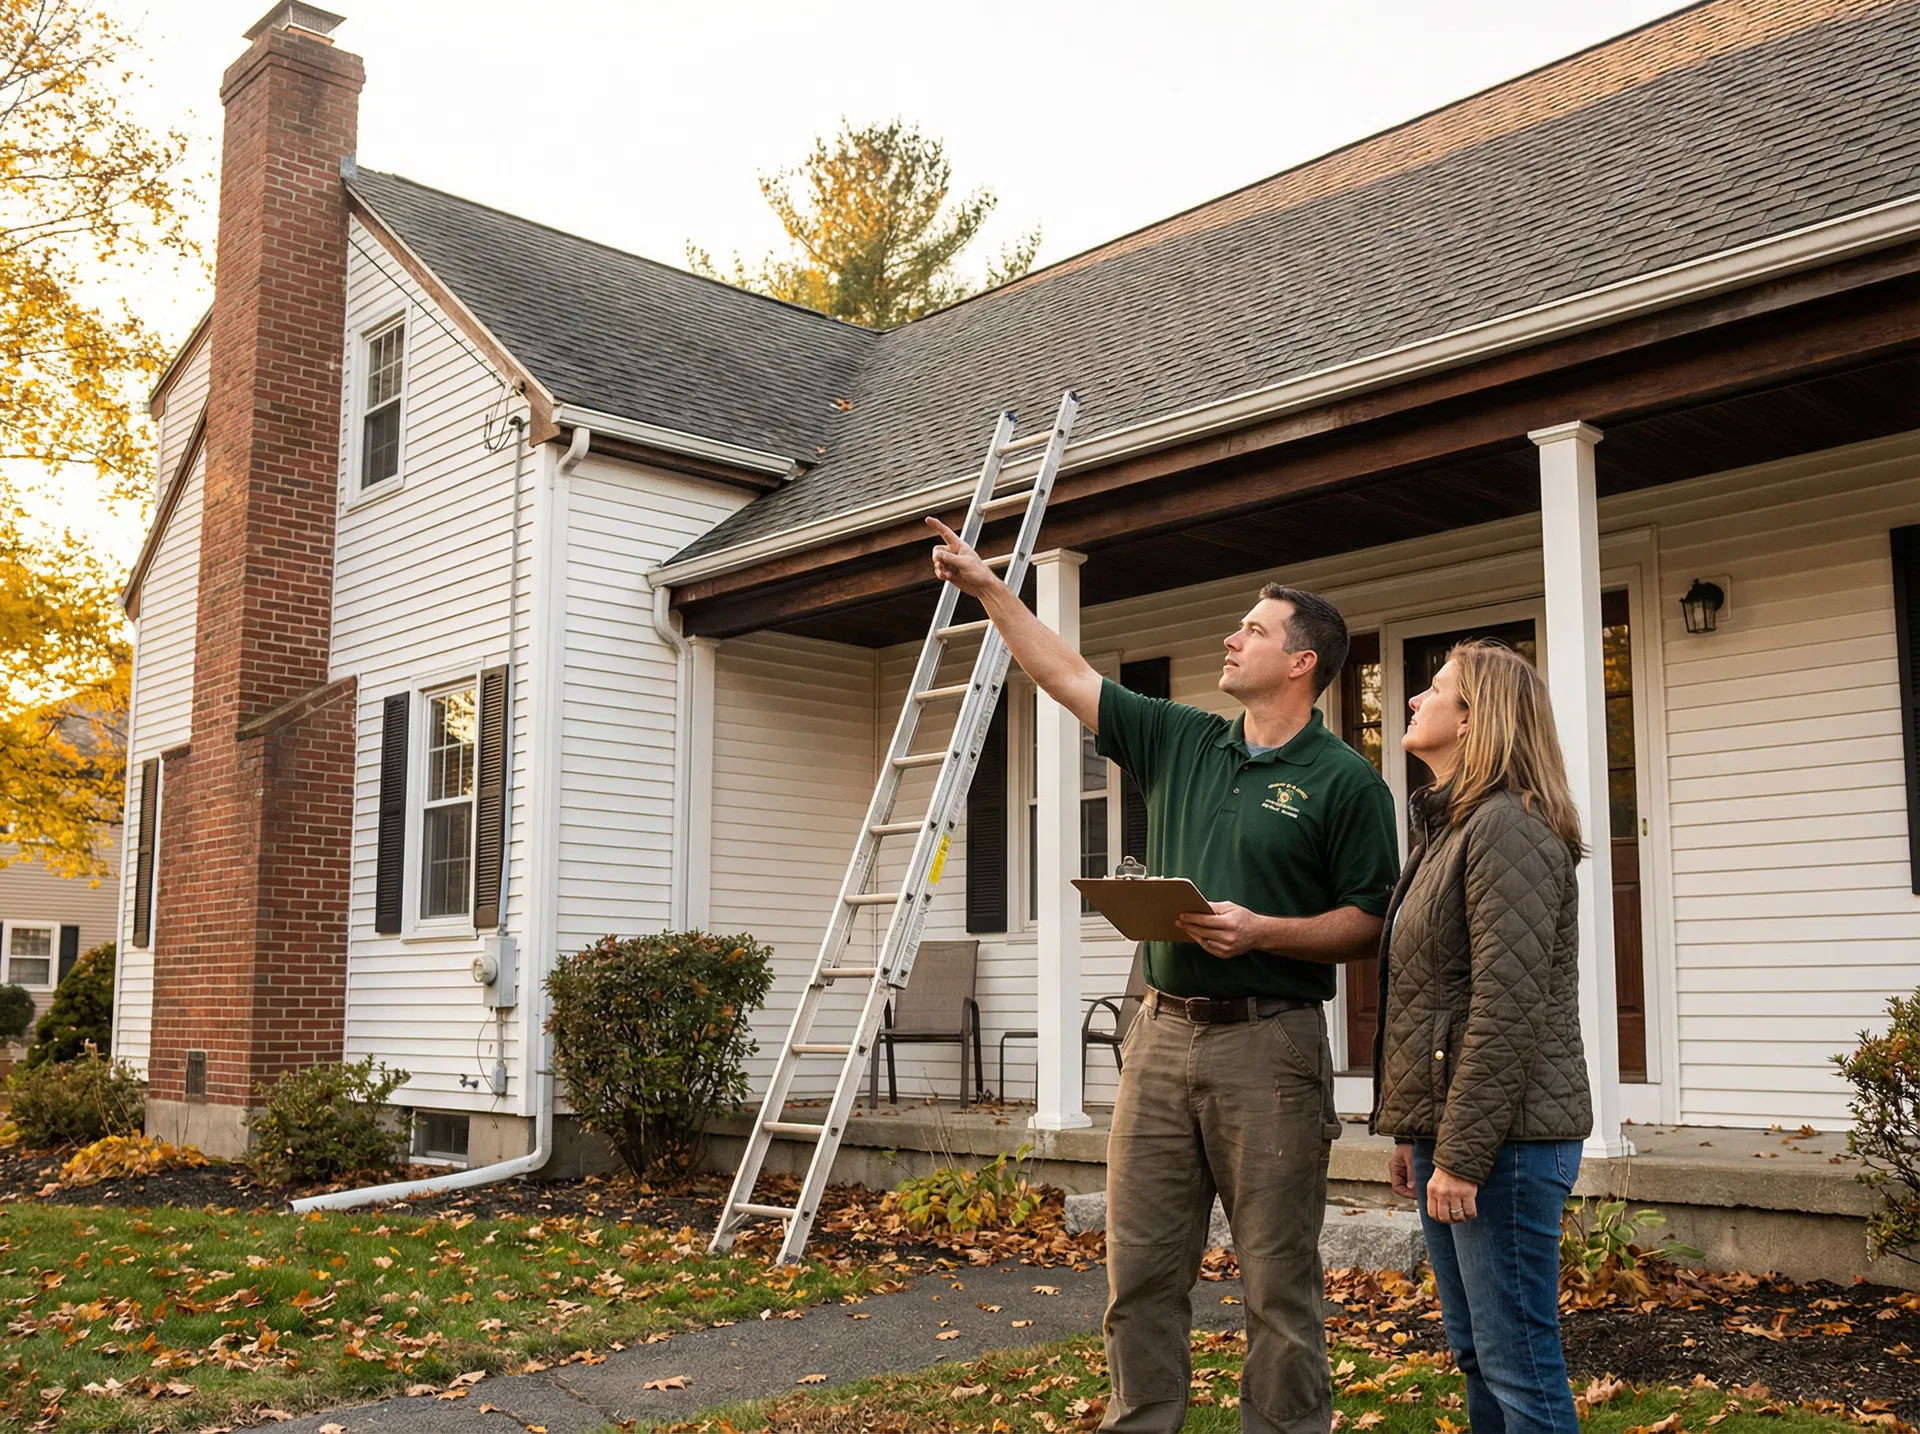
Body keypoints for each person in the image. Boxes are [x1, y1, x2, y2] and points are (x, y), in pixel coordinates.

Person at [928, 518, 1399, 1434]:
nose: (1233, 638)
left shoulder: (1347, 783)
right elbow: (1064, 676)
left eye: (1255, 630)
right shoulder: (1185, 739)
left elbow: (1369, 921)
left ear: (1302, 664)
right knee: (1139, 1270)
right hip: (1158, 1035)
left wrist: (1266, 930)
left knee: (1276, 1277)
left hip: (1272, 1047)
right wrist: (991, 591)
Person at [1372, 639, 1593, 1434]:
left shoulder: (1508, 829)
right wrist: (1415, 1133)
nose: (1412, 700)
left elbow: (1507, 1007)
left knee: (1520, 1365)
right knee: (1479, 1356)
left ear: (1473, 721)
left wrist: (1460, 1153)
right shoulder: (1449, 830)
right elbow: (1436, 997)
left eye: (1432, 690)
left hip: (1507, 1144)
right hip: (1460, 1133)